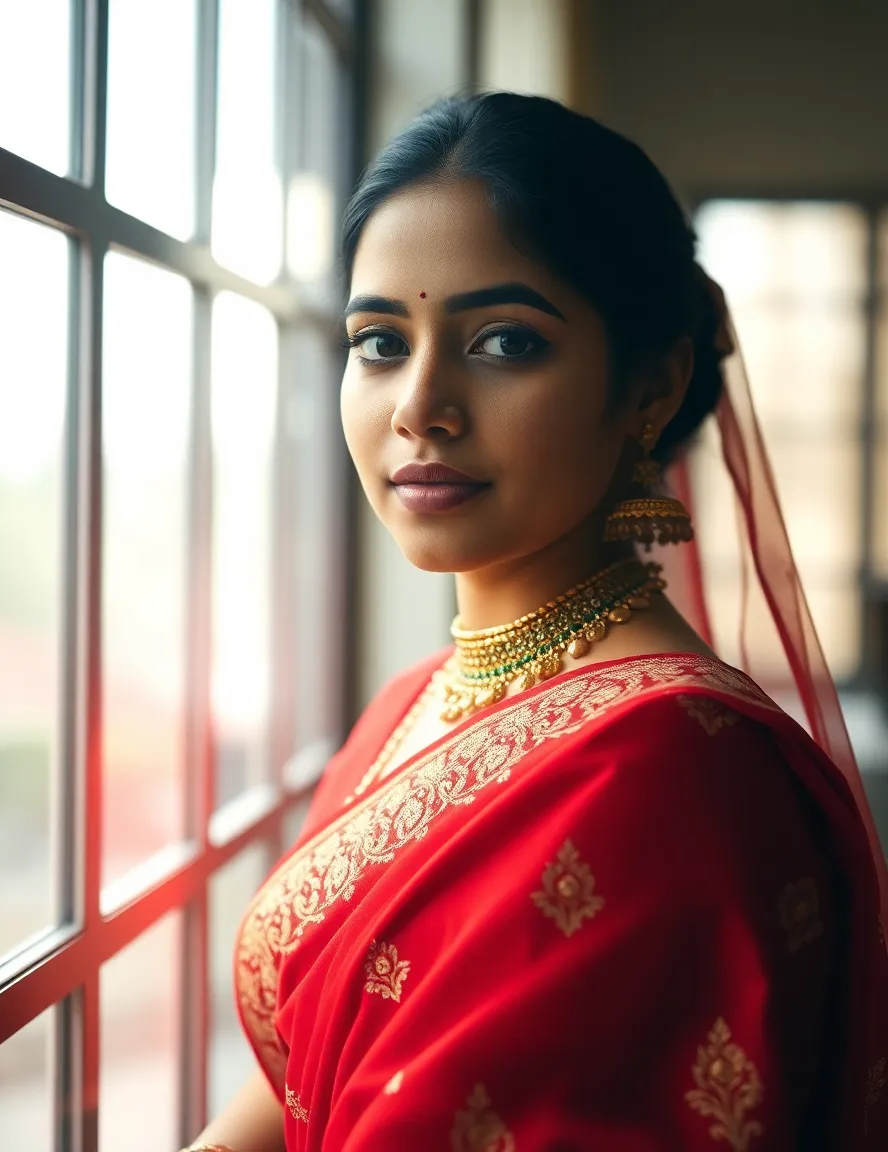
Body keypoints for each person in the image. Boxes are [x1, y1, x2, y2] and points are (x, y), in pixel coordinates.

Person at [182, 92, 888, 1152]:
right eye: (378, 342)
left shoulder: (666, 765)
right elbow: (291, 1089)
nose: (419, 404)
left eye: (505, 341)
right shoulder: (412, 703)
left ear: (649, 387)